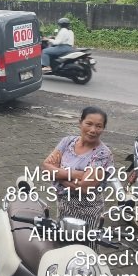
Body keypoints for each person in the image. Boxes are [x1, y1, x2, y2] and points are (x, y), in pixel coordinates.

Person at [42, 106, 114, 247]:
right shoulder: (67, 142)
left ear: (103, 129)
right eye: (89, 124)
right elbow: (46, 166)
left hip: (88, 209)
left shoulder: (103, 154)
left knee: (84, 250)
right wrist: (78, 174)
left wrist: (57, 174)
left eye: (98, 126)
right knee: (62, 246)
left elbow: (85, 187)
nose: (93, 130)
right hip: (64, 204)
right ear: (80, 122)